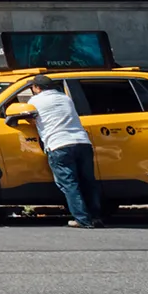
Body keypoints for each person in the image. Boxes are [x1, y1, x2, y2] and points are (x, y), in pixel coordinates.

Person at [20, 78, 100, 227]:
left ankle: (82, 220)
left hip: (59, 144)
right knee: (88, 182)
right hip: (83, 142)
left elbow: (27, 116)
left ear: (36, 87)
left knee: (70, 183)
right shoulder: (65, 98)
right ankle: (95, 217)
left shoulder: (35, 101)